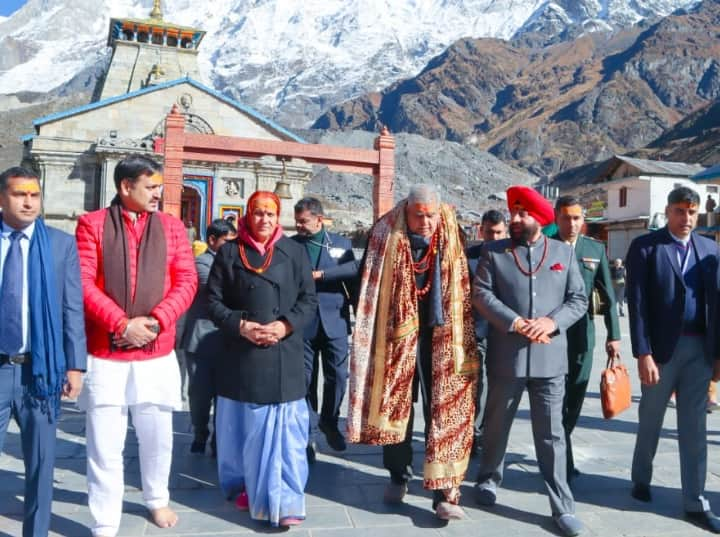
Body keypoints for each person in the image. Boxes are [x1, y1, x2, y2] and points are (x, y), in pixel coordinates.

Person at [75, 154, 197, 537]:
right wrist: (121, 324)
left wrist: (157, 321)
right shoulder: (91, 225)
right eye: (150, 186)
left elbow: (187, 281)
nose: (158, 193)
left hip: (156, 352)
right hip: (106, 352)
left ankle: (156, 498)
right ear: (125, 187)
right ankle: (105, 517)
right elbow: (82, 282)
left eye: (159, 185)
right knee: (104, 441)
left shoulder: (173, 228)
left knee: (158, 434)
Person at [347, 184, 477, 521]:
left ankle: (443, 492)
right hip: (396, 335)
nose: (426, 221)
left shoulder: (451, 230)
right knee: (396, 404)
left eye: (430, 214)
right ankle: (398, 474)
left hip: (444, 332)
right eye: (418, 215)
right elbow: (368, 281)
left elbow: (464, 279)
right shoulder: (385, 232)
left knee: (444, 407)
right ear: (407, 209)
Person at [473, 185, 587, 537]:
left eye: (523, 213)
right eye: (514, 213)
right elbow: (481, 293)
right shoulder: (494, 253)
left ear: (540, 218)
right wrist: (515, 321)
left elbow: (578, 299)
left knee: (552, 436)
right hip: (507, 357)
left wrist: (552, 323)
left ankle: (562, 507)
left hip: (551, 361)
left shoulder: (563, 254)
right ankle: (489, 479)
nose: (516, 219)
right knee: (495, 425)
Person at [207, 191, 317, 528]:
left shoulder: (295, 252)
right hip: (243, 355)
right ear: (247, 215)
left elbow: (307, 300)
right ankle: (245, 485)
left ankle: (285, 501)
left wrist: (283, 326)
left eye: (271, 214)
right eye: (258, 213)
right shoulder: (229, 252)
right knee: (246, 431)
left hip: (284, 355)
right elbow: (213, 302)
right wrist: (241, 326)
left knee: (288, 435)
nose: (265, 220)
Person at [627, 186, 720, 533]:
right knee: (650, 418)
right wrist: (643, 353)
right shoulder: (647, 248)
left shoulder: (710, 249)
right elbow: (637, 304)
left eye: (692, 212)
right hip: (662, 352)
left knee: (695, 426)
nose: (687, 219)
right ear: (667, 212)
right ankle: (641, 478)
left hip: (699, 350)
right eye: (680, 211)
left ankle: (694, 500)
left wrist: (718, 357)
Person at [0, 166, 86, 537]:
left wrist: (75, 366)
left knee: (41, 463)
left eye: (35, 195)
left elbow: (72, 309)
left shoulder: (60, 245)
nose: (29, 201)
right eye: (20, 194)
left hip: (42, 371)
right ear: (2, 198)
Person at [550, 196, 620, 479]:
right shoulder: (545, 247)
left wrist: (614, 335)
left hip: (583, 337)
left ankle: (561, 441)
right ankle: (560, 457)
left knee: (576, 394)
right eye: (566, 218)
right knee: (554, 399)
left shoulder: (594, 249)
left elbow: (608, 295)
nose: (572, 224)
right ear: (556, 218)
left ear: (584, 220)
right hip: (552, 337)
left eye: (577, 218)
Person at [292, 197, 356, 457]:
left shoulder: (340, 244)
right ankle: (307, 434)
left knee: (338, 376)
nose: (299, 226)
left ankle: (329, 421)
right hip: (302, 324)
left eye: (304, 221)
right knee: (305, 380)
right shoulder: (290, 245)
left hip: (335, 322)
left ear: (319, 219)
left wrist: (323, 276)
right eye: (297, 221)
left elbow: (353, 271)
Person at [183, 218, 237, 455]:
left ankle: (219, 438)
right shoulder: (202, 263)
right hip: (202, 339)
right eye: (227, 242)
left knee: (225, 394)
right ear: (212, 240)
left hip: (228, 340)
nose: (232, 247)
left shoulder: (235, 261)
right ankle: (200, 431)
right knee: (200, 393)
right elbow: (218, 289)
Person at [465, 209, 507, 456]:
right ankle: (475, 434)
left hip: (505, 334)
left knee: (500, 389)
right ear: (481, 231)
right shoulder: (467, 256)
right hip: (477, 332)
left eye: (499, 232)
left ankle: (493, 433)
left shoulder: (514, 256)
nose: (494, 236)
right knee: (477, 386)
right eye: (489, 232)